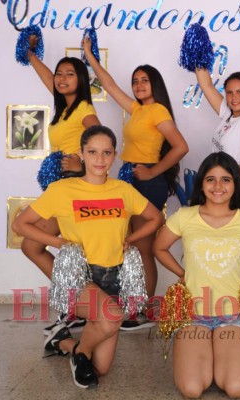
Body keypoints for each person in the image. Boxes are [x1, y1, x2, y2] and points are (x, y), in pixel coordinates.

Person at [13, 125, 162, 388]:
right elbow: (21, 224)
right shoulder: (62, 190)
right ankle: (80, 353)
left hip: (113, 278)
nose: (100, 159)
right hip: (80, 277)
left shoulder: (122, 190)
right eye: (92, 152)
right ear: (81, 153)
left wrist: (131, 239)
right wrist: (58, 241)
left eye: (106, 153)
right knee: (112, 316)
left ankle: (63, 341)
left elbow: (155, 217)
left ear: (115, 155)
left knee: (101, 368)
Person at [153, 152, 240, 398]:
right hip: (192, 316)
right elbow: (159, 247)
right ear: (201, 183)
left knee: (236, 388)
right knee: (192, 389)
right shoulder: (186, 216)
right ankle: (205, 353)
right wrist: (182, 273)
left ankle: (222, 351)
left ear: (235, 184)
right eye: (211, 179)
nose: (218, 186)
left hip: (232, 317)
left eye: (226, 179)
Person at [83, 39, 189, 330]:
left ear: (155, 84)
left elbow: (181, 147)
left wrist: (153, 173)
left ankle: (143, 311)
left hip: (146, 183)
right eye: (136, 81)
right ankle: (132, 304)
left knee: (143, 248)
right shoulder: (136, 109)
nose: (139, 84)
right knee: (129, 248)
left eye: (145, 80)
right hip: (127, 179)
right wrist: (90, 57)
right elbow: (110, 84)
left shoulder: (158, 112)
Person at [24, 35, 101, 334]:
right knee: (35, 246)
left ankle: (77, 307)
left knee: (34, 245)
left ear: (81, 80)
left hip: (71, 188)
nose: (61, 78)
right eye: (60, 73)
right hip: (58, 190)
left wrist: (82, 163)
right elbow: (48, 78)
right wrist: (30, 54)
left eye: (70, 74)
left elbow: (101, 141)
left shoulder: (83, 109)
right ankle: (76, 306)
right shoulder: (64, 108)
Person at [194, 68, 240, 277]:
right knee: (230, 252)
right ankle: (233, 302)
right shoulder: (228, 116)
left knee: (239, 254)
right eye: (229, 92)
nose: (234, 97)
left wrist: (234, 180)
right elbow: (206, 85)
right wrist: (198, 57)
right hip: (226, 189)